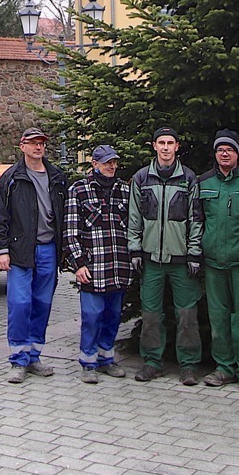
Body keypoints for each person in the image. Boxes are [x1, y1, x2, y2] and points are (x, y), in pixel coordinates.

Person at [0, 126, 69, 384]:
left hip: (48, 249)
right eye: (33, 143)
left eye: (41, 143)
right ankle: (18, 360)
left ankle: (34, 356)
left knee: (42, 304)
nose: (38, 147)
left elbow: (66, 214)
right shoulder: (11, 178)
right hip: (20, 250)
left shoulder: (57, 177)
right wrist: (2, 250)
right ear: (22, 146)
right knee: (20, 304)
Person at [126, 126, 205, 384]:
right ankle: (152, 362)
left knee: (187, 315)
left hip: (181, 261)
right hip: (150, 260)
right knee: (151, 315)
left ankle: (189, 365)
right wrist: (135, 250)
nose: (166, 147)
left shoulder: (188, 179)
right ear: (154, 146)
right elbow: (134, 217)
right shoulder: (141, 178)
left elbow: (195, 219)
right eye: (161, 142)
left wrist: (194, 253)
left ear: (177, 147)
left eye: (170, 143)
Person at [199, 130, 239, 391]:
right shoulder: (203, 182)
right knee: (218, 317)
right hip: (213, 262)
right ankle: (224, 367)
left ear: (237, 153)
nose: (224, 154)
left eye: (230, 149)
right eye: (220, 150)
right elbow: (197, 220)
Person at [63, 144, 134, 384]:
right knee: (92, 317)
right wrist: (78, 264)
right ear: (95, 164)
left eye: (114, 162)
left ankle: (107, 359)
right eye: (106, 163)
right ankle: (88, 362)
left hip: (119, 266)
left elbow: (134, 227)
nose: (111, 166)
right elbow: (70, 232)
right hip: (92, 269)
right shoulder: (78, 190)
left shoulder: (125, 190)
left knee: (113, 316)